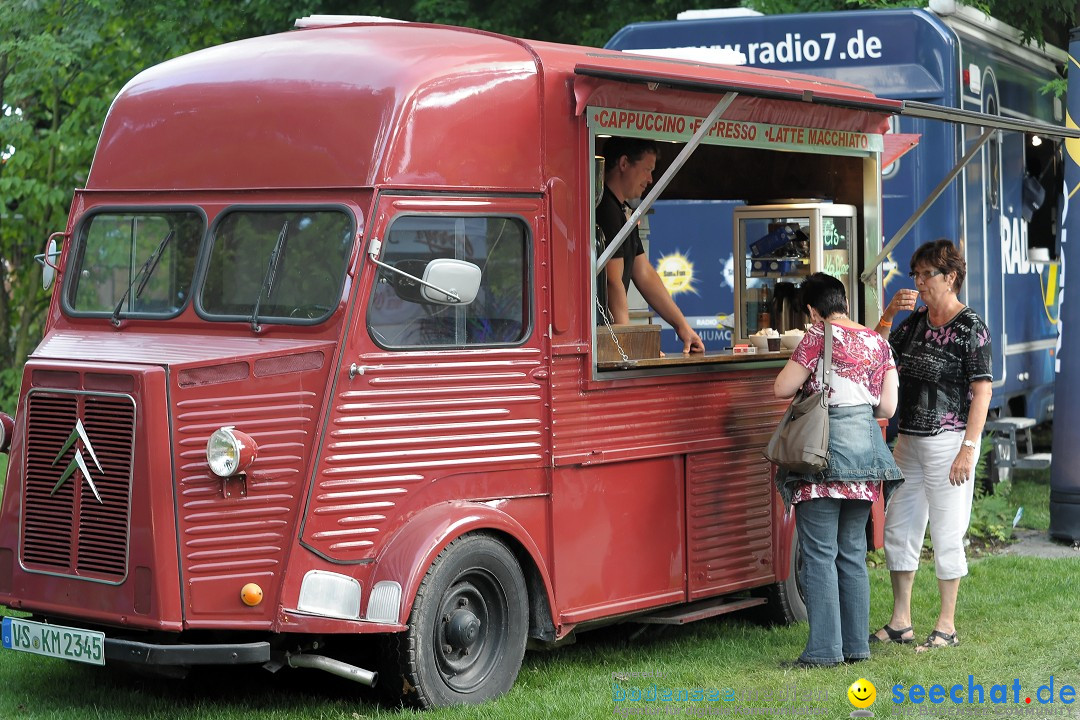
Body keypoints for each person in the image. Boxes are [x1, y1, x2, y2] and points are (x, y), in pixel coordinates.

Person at [773, 273, 902, 668]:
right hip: (865, 458)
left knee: (819, 554)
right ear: (844, 301)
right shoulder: (879, 343)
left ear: (812, 310)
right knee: (851, 554)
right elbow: (887, 409)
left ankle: (824, 650)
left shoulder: (816, 336)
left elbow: (781, 388)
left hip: (822, 457)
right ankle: (855, 647)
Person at [871, 238, 992, 652]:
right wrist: (889, 314)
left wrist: (969, 449)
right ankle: (901, 621)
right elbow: (874, 354)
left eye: (927, 274)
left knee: (947, 531)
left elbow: (982, 392)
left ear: (951, 277)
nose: (919, 283)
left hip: (948, 442)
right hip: (909, 441)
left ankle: (946, 625)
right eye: (916, 275)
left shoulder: (970, 326)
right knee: (900, 530)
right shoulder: (915, 322)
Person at [597, 137, 704, 354]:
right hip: (600, 335)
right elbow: (612, 280)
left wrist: (681, 326)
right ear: (624, 163)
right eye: (647, 169)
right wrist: (624, 343)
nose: (650, 179)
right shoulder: (605, 210)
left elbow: (643, 272)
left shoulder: (622, 210)